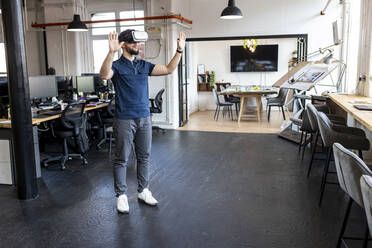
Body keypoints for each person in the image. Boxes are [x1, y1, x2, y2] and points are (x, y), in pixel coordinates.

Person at [100, 29, 186, 214]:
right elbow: (104, 75)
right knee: (121, 158)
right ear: (123, 45)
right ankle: (121, 195)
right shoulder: (116, 65)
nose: (137, 46)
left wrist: (179, 51)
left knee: (144, 157)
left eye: (138, 43)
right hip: (124, 119)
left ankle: (143, 190)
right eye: (133, 43)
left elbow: (169, 69)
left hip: (144, 118)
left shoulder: (143, 65)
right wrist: (110, 52)